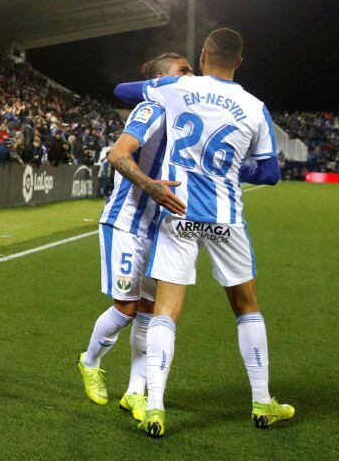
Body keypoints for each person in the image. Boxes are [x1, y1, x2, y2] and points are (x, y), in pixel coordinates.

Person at [114, 29, 291, 437]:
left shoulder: (179, 86)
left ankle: (155, 407)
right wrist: (233, 170)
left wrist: (163, 86)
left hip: (178, 208)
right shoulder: (254, 106)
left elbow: (124, 91)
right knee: (246, 306)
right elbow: (270, 173)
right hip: (226, 216)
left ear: (204, 54)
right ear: (240, 61)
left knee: (165, 311)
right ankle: (263, 402)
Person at [75, 52, 192, 424]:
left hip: (160, 228)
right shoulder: (151, 108)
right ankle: (89, 361)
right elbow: (117, 155)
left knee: (149, 313)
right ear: (161, 79)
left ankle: (134, 394)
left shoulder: (186, 119)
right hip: (126, 222)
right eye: (183, 71)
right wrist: (151, 186)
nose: (191, 76)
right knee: (126, 308)